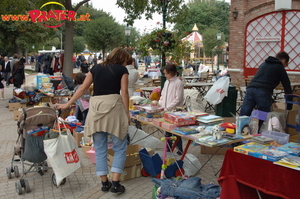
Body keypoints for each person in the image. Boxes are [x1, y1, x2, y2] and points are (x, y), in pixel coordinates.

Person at [56, 47, 131, 194]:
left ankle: (104, 183)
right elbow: (125, 93)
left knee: (100, 149)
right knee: (120, 147)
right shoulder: (122, 70)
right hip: (115, 109)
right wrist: (127, 113)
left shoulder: (96, 68)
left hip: (96, 109)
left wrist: (67, 104)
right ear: (122, 58)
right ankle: (115, 183)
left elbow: (82, 88)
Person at [240, 51, 293, 117]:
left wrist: (271, 100)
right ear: (284, 60)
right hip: (263, 91)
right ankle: (261, 127)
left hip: (250, 89)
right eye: (286, 64)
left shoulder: (263, 64)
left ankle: (241, 126)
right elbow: (287, 87)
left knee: (244, 115)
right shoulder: (280, 68)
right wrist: (289, 107)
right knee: (263, 117)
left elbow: (262, 80)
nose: (286, 66)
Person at [158, 62, 184, 155]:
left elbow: (178, 98)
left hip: (175, 111)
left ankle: (180, 149)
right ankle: (168, 149)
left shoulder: (178, 83)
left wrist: (168, 107)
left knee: (176, 132)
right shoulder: (166, 82)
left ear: (172, 73)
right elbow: (163, 94)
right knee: (167, 131)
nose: (165, 75)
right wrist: (160, 105)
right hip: (166, 110)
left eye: (166, 73)